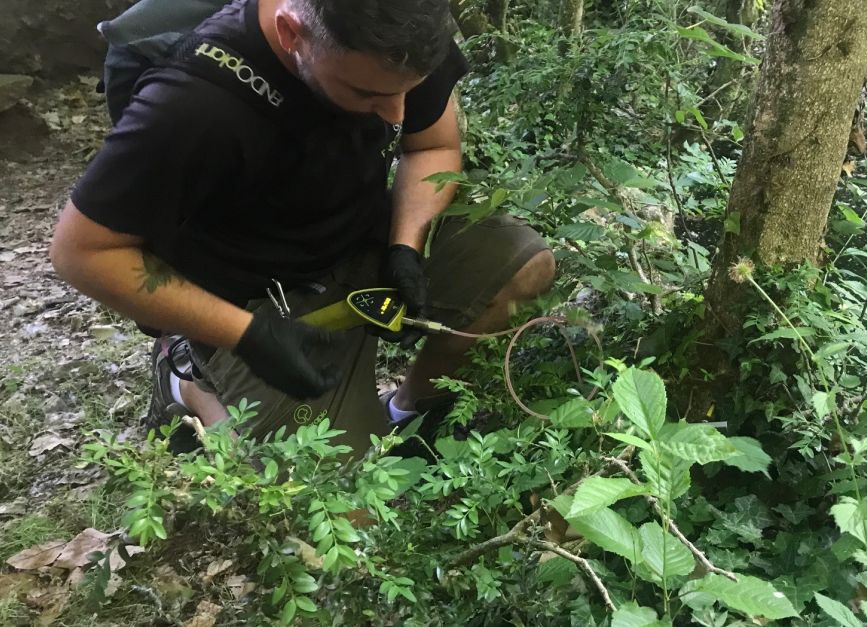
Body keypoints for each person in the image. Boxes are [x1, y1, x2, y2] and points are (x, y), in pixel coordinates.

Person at [49, 0, 555, 455]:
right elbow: (83, 251)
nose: (396, 112)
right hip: (254, 300)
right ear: (293, 34)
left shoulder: (404, 30)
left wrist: (405, 245)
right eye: (366, 92)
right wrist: (248, 336)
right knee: (342, 511)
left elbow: (431, 147)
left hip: (358, 242)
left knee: (521, 264)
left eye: (409, 91)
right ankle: (188, 377)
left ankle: (406, 415)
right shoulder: (195, 101)